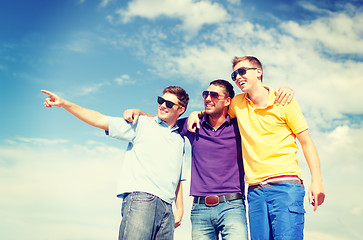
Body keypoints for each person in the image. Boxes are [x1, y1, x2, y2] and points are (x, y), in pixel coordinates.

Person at [123, 80, 294, 240]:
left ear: (228, 101)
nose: (208, 98)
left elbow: (260, 107)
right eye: (206, 94)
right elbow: (166, 120)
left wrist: (284, 91)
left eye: (214, 95)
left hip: (233, 206)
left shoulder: (240, 125)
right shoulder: (193, 124)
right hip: (199, 209)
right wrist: (140, 113)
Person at [189, 56, 325, 240]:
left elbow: (306, 142)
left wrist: (317, 181)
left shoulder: (284, 100)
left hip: (285, 187)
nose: (237, 77)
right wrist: (195, 113)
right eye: (234, 74)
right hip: (255, 192)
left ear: (258, 72)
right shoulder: (237, 104)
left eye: (242, 71)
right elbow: (215, 109)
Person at [41, 86, 189, 240]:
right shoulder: (142, 124)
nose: (163, 105)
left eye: (169, 104)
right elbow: (100, 120)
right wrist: (64, 103)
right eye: (161, 100)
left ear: (181, 110)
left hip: (167, 209)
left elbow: (178, 175)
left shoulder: (179, 140)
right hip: (142, 200)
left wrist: (180, 209)